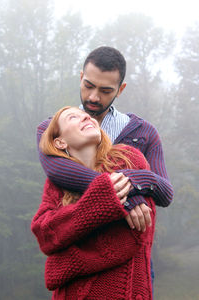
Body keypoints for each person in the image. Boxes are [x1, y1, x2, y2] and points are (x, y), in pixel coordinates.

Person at [37, 46, 174, 287]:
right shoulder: (52, 129)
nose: (93, 97)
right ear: (81, 77)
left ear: (120, 89)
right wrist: (125, 196)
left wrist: (135, 181)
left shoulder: (143, 134)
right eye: (88, 85)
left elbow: (164, 191)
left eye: (105, 90)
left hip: (130, 270)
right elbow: (58, 170)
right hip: (79, 274)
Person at [31, 106, 156, 299]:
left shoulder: (127, 159)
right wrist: (100, 202)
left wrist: (60, 264)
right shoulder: (57, 182)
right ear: (60, 142)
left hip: (124, 293)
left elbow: (132, 238)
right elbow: (45, 234)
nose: (86, 117)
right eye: (73, 117)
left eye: (87, 116)